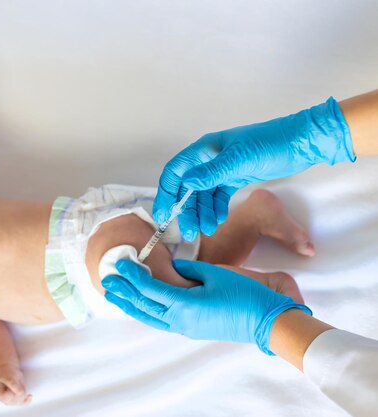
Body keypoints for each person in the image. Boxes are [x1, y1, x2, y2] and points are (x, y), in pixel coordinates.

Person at [0, 71, 312, 406]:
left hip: (84, 241)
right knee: (184, 283)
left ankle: (264, 293)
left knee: (161, 291)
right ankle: (254, 218)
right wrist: (2, 365)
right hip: (93, 290)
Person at [102, 90, 378, 416]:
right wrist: (311, 135)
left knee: (166, 284)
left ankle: (260, 254)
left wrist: (271, 324)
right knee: (188, 275)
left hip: (86, 242)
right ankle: (252, 218)